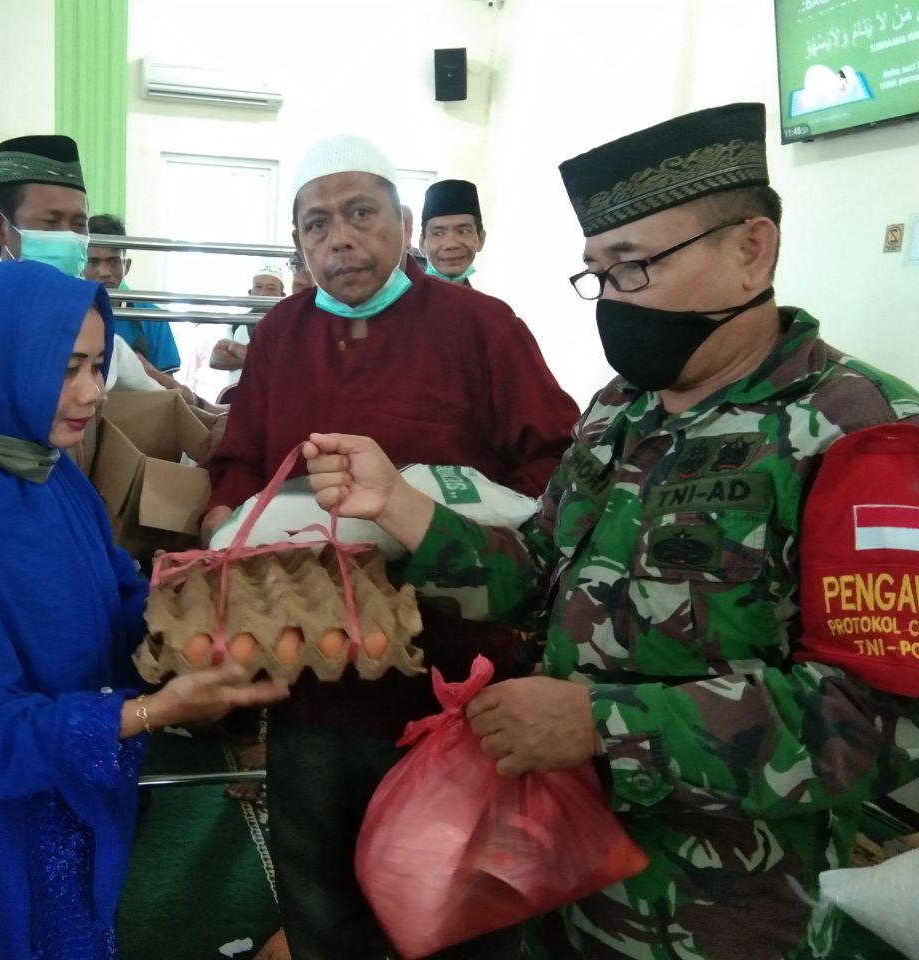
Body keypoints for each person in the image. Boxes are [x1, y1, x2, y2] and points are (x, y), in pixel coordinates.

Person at [302, 102, 919, 960]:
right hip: (560, 874)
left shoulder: (859, 436)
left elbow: (883, 722)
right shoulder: (617, 413)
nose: (613, 301)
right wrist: (400, 507)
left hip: (725, 915)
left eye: (634, 267)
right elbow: (538, 575)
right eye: (597, 272)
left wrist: (604, 725)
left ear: (751, 250)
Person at [0, 259, 287, 959]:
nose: (93, 393)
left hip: (50, 796)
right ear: (0, 361)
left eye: (98, 365)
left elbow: (106, 604)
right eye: (67, 368)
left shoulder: (48, 473)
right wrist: (155, 711)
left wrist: (189, 605)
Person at [204, 134, 579, 959]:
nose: (340, 238)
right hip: (318, 678)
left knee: (460, 907)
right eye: (316, 225)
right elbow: (236, 463)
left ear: (403, 224)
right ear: (297, 246)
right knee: (323, 896)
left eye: (361, 214)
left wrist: (437, 511)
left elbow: (558, 464)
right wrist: (227, 526)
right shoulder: (279, 339)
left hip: (452, 684)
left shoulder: (480, 328)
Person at [0, 135, 194, 476]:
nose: (68, 239)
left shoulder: (92, 331)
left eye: (78, 225)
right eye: (50, 223)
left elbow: (156, 398)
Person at [84, 213, 182, 375]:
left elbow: (169, 391)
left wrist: (143, 371)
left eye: (114, 261)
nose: (104, 272)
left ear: (126, 266)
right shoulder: (69, 314)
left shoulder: (153, 318)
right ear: (80, 264)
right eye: (93, 262)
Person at [210, 264, 286, 391]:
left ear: (282, 295)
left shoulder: (291, 324)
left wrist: (233, 348)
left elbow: (287, 362)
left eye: (271, 288)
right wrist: (264, 360)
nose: (263, 293)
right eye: (258, 287)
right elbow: (216, 360)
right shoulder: (236, 323)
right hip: (235, 398)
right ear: (250, 293)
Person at [420, 179, 485, 285]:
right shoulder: (404, 301)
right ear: (422, 244)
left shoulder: (486, 302)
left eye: (463, 231)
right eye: (438, 233)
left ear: (481, 239)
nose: (451, 244)